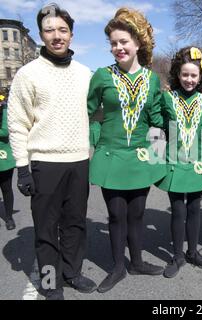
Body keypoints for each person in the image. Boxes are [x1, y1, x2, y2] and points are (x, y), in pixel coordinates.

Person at [7, 3, 97, 300]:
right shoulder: (27, 74)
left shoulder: (86, 73)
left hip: (79, 162)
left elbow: (97, 114)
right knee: (46, 230)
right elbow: (18, 122)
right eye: (49, 30)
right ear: (42, 35)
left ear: (71, 34)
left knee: (75, 224)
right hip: (45, 164)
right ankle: (49, 282)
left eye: (62, 30)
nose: (56, 36)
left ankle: (72, 273)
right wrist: (22, 167)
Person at [87, 8, 166, 293]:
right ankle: (118, 267)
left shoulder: (152, 79)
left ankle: (137, 262)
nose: (118, 48)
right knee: (117, 214)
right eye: (113, 43)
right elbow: (88, 111)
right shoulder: (101, 76)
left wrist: (159, 158)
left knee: (138, 213)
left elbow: (155, 119)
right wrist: (94, 139)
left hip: (141, 158)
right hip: (112, 157)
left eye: (123, 42)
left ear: (137, 43)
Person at [157, 47, 202, 278]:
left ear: (200, 77)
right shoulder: (166, 98)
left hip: (197, 163)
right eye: (185, 75)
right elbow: (156, 123)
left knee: (194, 209)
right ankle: (178, 256)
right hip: (174, 161)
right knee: (178, 211)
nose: (189, 79)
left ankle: (192, 252)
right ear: (177, 75)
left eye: (194, 75)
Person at [0, 93, 16, 230]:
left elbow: (5, 131)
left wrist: (4, 108)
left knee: (6, 189)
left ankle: (9, 217)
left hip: (4, 159)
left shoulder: (5, 109)